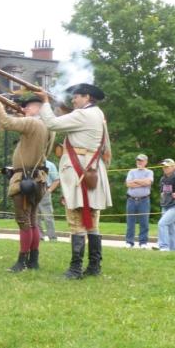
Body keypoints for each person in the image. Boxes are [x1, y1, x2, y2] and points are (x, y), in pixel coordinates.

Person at [36, 84, 112, 279]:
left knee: (76, 220)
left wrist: (45, 101)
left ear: (87, 97)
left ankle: (75, 269)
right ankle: (94, 266)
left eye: (76, 96)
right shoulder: (98, 114)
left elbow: (51, 123)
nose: (73, 100)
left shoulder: (83, 115)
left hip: (80, 173)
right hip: (92, 170)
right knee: (92, 222)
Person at [0, 93, 53, 272]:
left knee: (24, 221)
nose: (24, 109)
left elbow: (6, 123)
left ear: (37, 108)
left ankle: (22, 261)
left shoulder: (33, 122)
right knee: (31, 220)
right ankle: (33, 260)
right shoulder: (47, 125)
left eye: (28, 106)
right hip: (37, 178)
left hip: (24, 179)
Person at [125, 154, 154, 249]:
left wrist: (136, 181)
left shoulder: (149, 172)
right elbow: (128, 184)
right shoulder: (131, 171)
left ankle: (143, 243)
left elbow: (148, 182)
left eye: (141, 161)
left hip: (144, 200)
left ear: (146, 162)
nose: (139, 162)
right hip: (131, 200)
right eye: (138, 160)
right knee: (130, 222)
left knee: (144, 222)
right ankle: (129, 242)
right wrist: (142, 182)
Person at [38, 159, 60, 242]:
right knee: (35, 216)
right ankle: (39, 236)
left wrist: (49, 191)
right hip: (34, 192)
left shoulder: (50, 165)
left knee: (48, 216)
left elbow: (57, 180)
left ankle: (52, 237)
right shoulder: (32, 163)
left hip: (45, 191)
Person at [156, 158, 175, 251]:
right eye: (163, 166)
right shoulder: (163, 179)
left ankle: (164, 246)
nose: (164, 168)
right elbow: (162, 192)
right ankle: (172, 249)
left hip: (174, 206)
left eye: (167, 166)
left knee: (162, 224)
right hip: (165, 206)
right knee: (171, 228)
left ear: (173, 167)